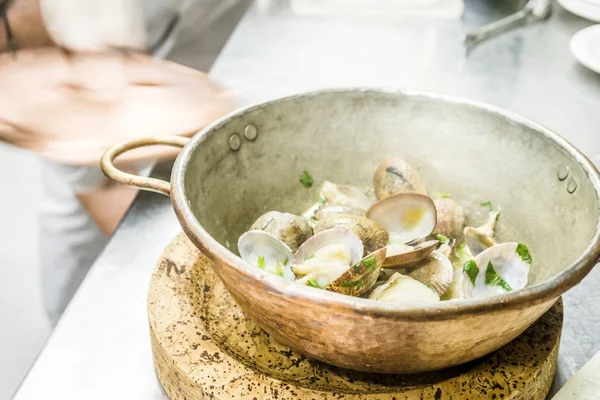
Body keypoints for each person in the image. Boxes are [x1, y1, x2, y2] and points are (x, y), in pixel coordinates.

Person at [0, 0, 244, 325]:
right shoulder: (49, 93)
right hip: (103, 133)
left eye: (10, 48)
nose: (15, 68)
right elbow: (105, 192)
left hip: (213, 41)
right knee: (87, 298)